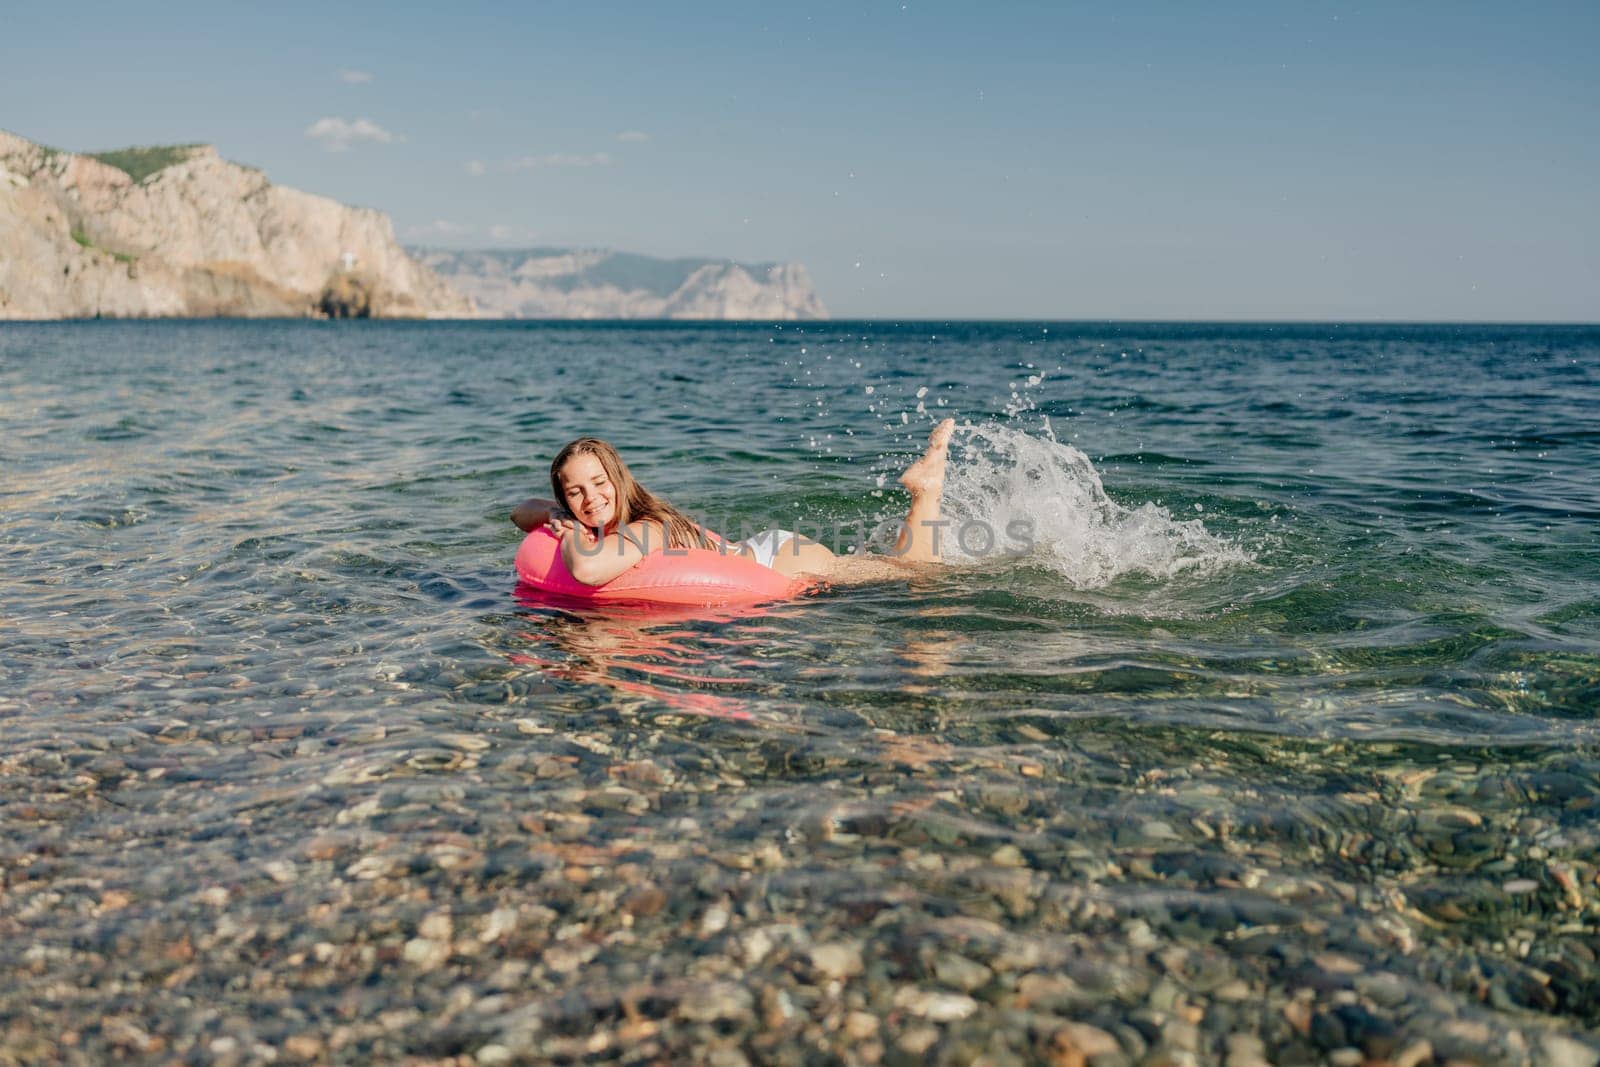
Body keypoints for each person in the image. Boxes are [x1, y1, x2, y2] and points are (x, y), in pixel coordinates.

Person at [511, 418, 956, 586]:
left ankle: (926, 488)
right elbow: (518, 510)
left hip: (774, 562)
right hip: (752, 549)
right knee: (892, 567)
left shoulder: (645, 527)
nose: (591, 498)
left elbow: (587, 570)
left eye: (599, 482)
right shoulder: (585, 516)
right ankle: (924, 490)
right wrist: (556, 515)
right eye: (575, 492)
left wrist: (568, 532)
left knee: (911, 573)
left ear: (618, 478)